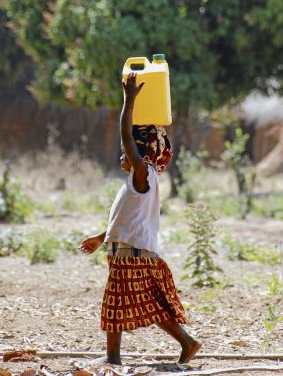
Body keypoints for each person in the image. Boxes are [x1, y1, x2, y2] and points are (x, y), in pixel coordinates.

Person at [79, 72, 201, 365]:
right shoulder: (144, 181)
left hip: (132, 254)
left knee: (115, 305)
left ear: (139, 153)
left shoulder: (142, 173)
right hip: (135, 249)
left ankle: (113, 359)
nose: (122, 155)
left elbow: (126, 137)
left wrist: (129, 100)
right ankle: (186, 341)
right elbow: (126, 218)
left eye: (127, 151)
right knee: (149, 305)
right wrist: (101, 238)